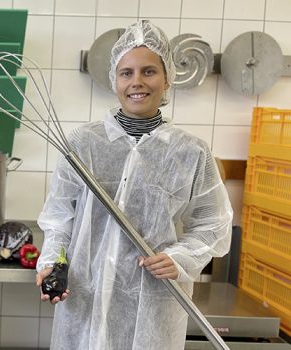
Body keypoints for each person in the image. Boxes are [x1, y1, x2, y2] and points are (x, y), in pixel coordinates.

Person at [35, 20, 233, 349]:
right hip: (86, 299)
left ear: (167, 78)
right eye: (126, 73)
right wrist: (51, 263)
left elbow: (213, 224)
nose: (136, 82)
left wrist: (181, 257)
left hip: (154, 305)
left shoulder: (190, 152)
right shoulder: (82, 144)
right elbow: (59, 216)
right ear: (115, 79)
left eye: (148, 71)